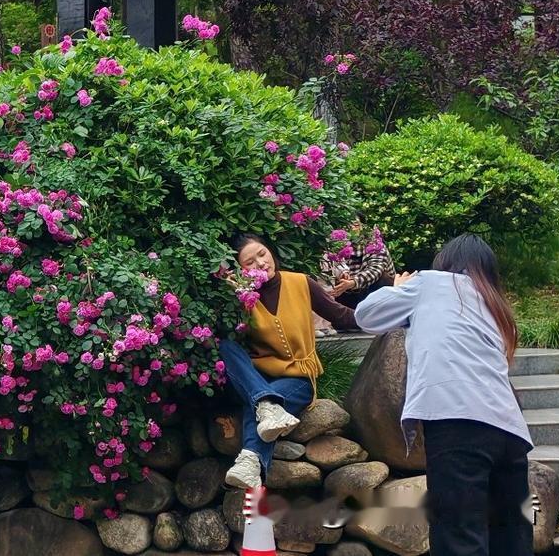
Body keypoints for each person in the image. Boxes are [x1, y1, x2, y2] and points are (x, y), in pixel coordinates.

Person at [354, 234, 531, 556]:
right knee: (512, 534)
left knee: (459, 535)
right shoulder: (496, 304)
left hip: (458, 423)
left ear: (446, 263)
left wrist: (397, 286)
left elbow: (366, 315)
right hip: (511, 431)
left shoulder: (430, 283)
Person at [221, 232, 360, 490]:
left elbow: (340, 315)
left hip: (297, 378)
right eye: (250, 262)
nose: (261, 263)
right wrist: (232, 295)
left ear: (271, 251)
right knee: (224, 346)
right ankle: (265, 405)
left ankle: (250, 459)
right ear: (240, 270)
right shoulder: (239, 298)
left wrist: (388, 314)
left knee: (264, 401)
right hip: (258, 377)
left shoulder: (300, 283)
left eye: (262, 254)